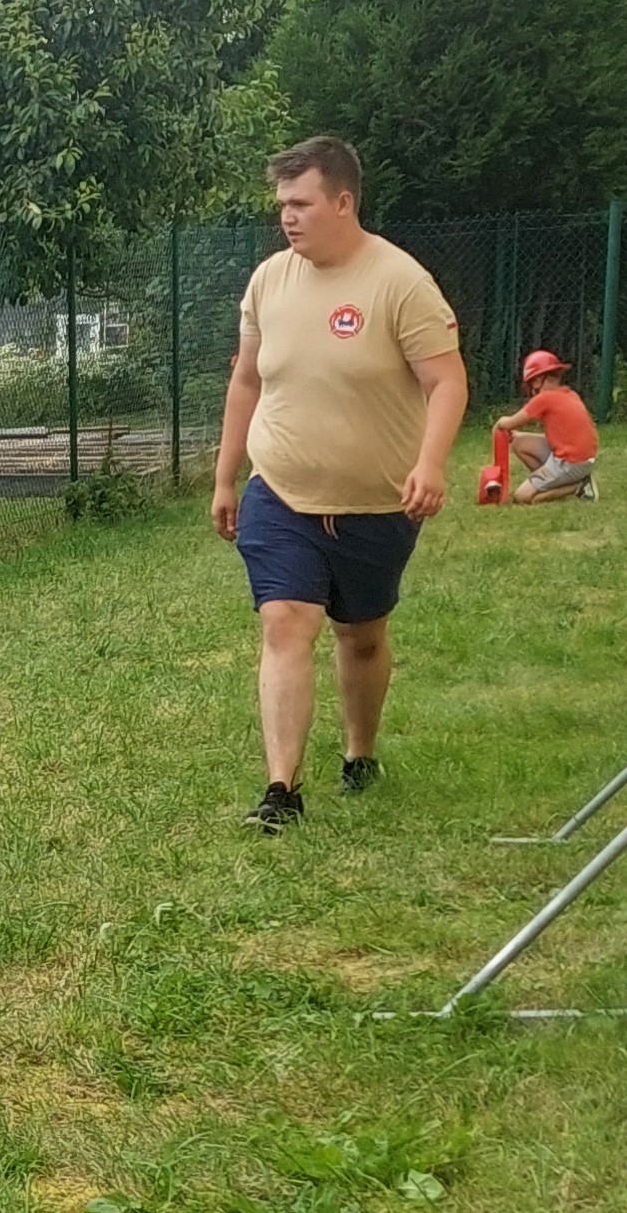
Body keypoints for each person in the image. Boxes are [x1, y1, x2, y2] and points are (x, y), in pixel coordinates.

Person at [211, 137, 467, 828]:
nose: (286, 218)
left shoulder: (400, 281)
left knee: (361, 635)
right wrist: (226, 476)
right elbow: (246, 380)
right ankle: (281, 790)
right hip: (282, 491)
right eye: (281, 206)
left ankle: (360, 752)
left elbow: (446, 381)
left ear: (344, 201)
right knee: (286, 623)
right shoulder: (269, 280)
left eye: (300, 203)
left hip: (376, 503)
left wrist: (431, 462)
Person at [498, 349, 599, 505]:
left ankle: (578, 487)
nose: (531, 390)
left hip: (570, 463)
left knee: (521, 497)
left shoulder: (545, 398)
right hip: (581, 458)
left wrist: (500, 422)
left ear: (538, 380)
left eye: (531, 384)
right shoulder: (570, 394)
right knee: (518, 441)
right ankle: (550, 481)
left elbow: (509, 423)